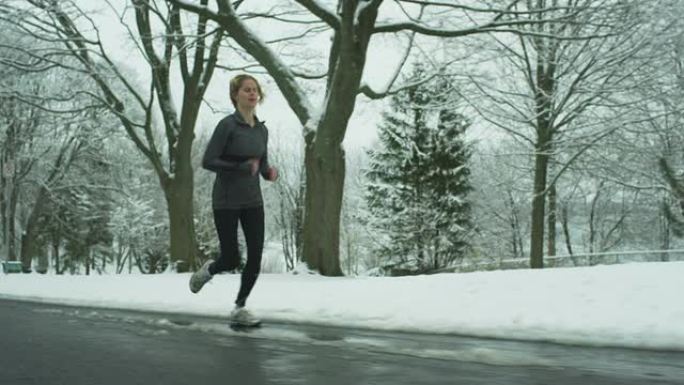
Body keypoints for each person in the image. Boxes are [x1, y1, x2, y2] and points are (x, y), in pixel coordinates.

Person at [189, 74, 278, 326]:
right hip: (226, 200)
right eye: (246, 90)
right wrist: (241, 167)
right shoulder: (227, 125)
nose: (252, 93)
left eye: (255, 90)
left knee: (255, 255)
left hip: (253, 200)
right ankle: (208, 271)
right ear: (236, 95)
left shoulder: (262, 130)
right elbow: (208, 161)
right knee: (231, 258)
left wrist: (268, 172)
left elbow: (261, 163)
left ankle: (240, 307)